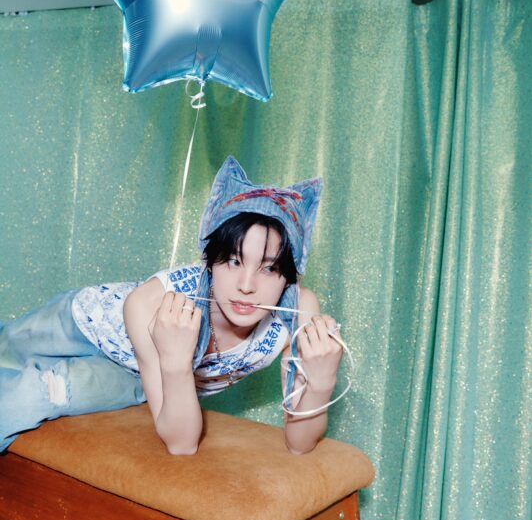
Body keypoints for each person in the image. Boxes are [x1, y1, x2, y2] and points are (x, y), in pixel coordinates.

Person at [0, 156, 343, 455]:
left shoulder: (298, 312)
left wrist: (321, 382)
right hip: (82, 322)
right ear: (210, 261)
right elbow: (139, 311)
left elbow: (185, 444)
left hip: (135, 377)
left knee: (32, 396)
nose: (247, 285)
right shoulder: (148, 302)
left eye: (268, 268)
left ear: (289, 276)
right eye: (233, 261)